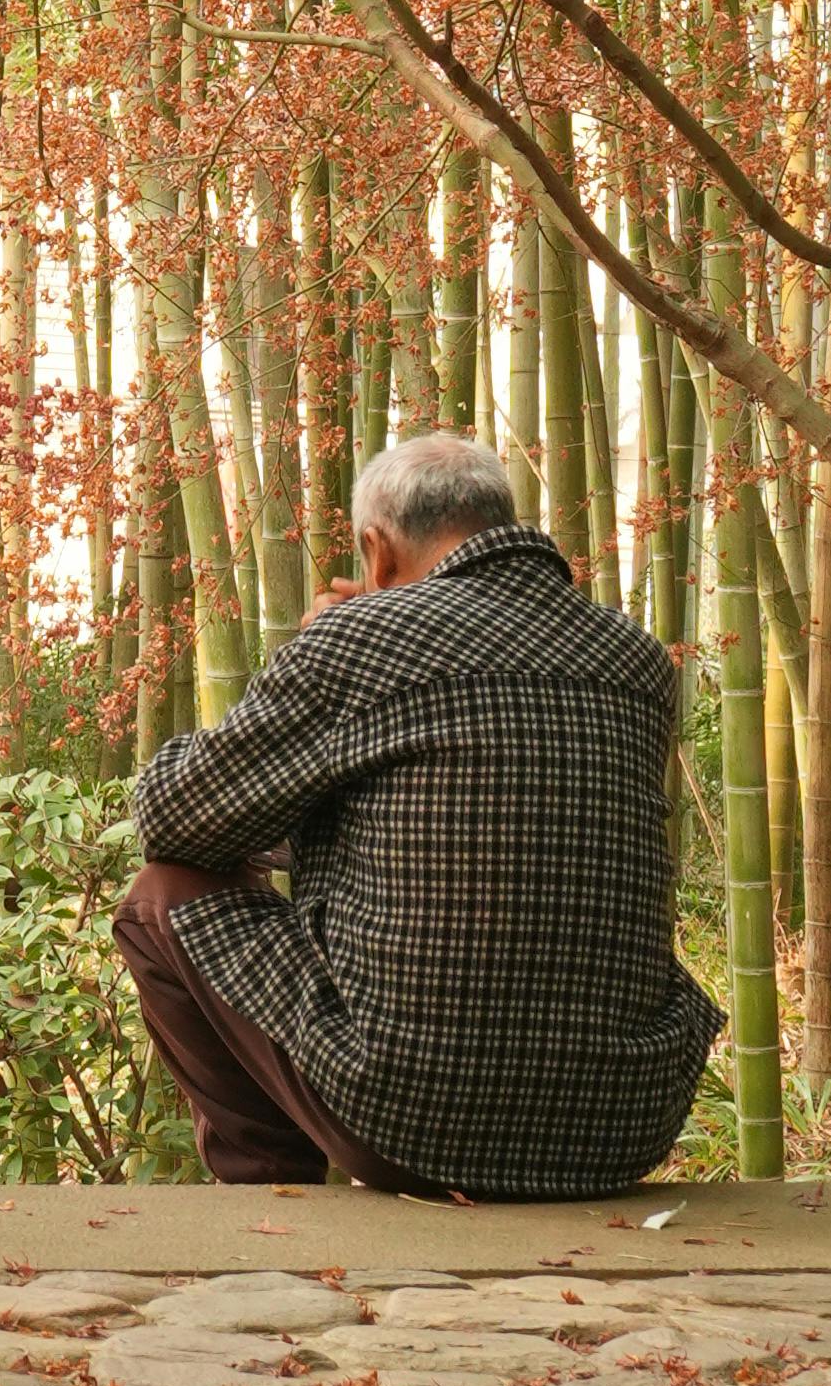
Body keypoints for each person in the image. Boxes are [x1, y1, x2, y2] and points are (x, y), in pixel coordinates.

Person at [116, 425, 718, 1200]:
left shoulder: (362, 639)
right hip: (621, 1128)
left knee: (160, 895)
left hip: (418, 1127)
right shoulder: (632, 655)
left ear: (377, 550)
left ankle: (273, 1190)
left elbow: (173, 816)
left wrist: (323, 646)